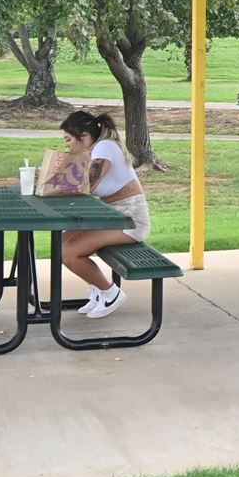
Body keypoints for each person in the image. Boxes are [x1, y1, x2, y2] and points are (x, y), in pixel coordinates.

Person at [39, 109, 151, 319]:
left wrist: (55, 181)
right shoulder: (95, 150)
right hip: (111, 215)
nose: (67, 145)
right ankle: (98, 290)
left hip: (130, 220)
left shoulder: (105, 148)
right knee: (61, 245)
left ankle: (111, 293)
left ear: (84, 136)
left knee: (71, 252)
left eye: (68, 139)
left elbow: (89, 184)